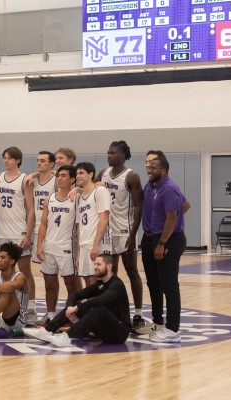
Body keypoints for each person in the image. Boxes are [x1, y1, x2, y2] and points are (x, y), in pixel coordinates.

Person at [23, 254, 131, 347]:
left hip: (119, 333)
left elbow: (100, 301)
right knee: (77, 303)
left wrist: (77, 308)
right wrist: (71, 307)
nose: (95, 267)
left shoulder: (117, 285)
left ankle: (67, 337)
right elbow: (75, 295)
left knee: (98, 309)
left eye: (98, 264)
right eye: (95, 264)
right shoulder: (100, 284)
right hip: (105, 331)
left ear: (109, 266)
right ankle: (47, 331)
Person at [96, 140, 145, 330]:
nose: (109, 156)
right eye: (108, 153)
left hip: (125, 231)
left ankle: (139, 314)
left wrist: (133, 235)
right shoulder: (103, 174)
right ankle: (113, 311)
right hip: (108, 231)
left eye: (113, 153)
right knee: (110, 273)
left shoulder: (131, 176)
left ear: (123, 155)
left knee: (132, 271)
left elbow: (139, 206)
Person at [139, 154, 187, 343]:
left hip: (167, 241)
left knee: (169, 285)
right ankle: (158, 322)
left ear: (163, 170)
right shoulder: (151, 186)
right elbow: (185, 206)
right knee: (154, 283)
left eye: (153, 168)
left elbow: (173, 217)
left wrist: (162, 242)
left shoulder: (170, 188)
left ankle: (173, 329)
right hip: (151, 237)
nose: (149, 171)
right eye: (148, 167)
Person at [0, 146, 37, 325]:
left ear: (17, 160)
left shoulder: (24, 180)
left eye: (9, 158)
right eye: (4, 158)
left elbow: (31, 210)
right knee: (2, 271)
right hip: (1, 232)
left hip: (18, 232)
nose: (6, 161)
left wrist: (27, 234)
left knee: (25, 271)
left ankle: (30, 308)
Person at [35, 165, 82, 325]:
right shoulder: (50, 198)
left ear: (72, 179)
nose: (59, 178)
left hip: (67, 247)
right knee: (49, 283)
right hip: (49, 246)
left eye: (63, 176)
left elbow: (93, 189)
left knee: (71, 283)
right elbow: (43, 223)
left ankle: (73, 314)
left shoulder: (77, 198)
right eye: (58, 175)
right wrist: (39, 245)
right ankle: (51, 314)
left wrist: (78, 190)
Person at [75, 162, 111, 286]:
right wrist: (79, 253)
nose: (78, 176)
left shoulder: (99, 191)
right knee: (89, 282)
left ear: (90, 174)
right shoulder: (80, 197)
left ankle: (102, 306)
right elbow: (80, 227)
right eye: (77, 173)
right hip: (85, 244)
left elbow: (104, 218)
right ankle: (92, 306)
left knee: (99, 281)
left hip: (97, 243)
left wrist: (96, 245)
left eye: (81, 173)